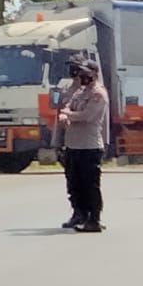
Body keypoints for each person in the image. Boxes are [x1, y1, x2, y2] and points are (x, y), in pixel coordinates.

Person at [58, 57, 109, 233]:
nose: (81, 75)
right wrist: (66, 114)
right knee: (74, 184)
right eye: (80, 72)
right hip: (73, 144)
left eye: (85, 72)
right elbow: (67, 107)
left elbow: (87, 116)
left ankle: (94, 219)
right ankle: (80, 214)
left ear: (93, 74)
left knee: (90, 185)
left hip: (89, 146)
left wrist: (68, 114)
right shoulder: (79, 92)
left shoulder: (98, 94)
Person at [50, 54, 85, 228]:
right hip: (69, 142)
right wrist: (57, 143)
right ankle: (77, 212)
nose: (72, 70)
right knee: (72, 182)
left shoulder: (89, 91)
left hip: (86, 144)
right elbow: (59, 119)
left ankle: (89, 214)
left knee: (87, 182)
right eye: (71, 66)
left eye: (76, 67)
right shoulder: (66, 91)